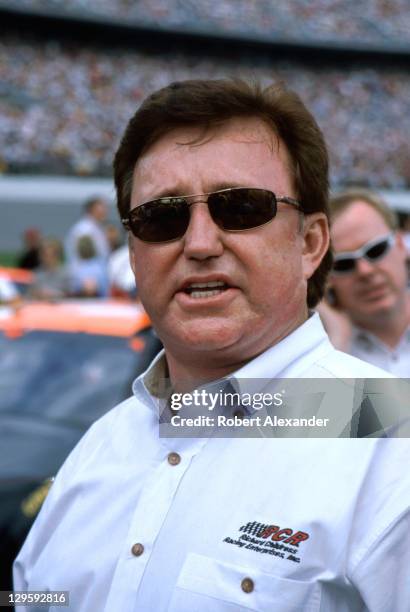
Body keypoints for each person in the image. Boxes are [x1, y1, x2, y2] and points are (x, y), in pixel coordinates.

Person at [14, 80, 410, 611]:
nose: (199, 243)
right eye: (162, 217)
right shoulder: (98, 449)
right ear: (133, 254)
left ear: (310, 244)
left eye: (241, 208)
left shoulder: (393, 439)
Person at [320, 189, 409, 376]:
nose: (365, 271)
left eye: (376, 250)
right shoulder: (322, 352)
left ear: (401, 245)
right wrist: (337, 344)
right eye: (344, 263)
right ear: (327, 278)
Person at [64, 197, 110, 298]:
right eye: (101, 208)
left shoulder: (96, 227)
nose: (105, 211)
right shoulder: (83, 230)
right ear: (91, 209)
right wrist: (84, 280)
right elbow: (78, 258)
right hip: (88, 281)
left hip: (98, 277)